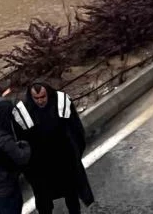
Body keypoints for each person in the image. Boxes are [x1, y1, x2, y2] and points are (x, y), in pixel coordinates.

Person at [12, 82, 94, 213]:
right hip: (41, 166)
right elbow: (21, 142)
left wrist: (76, 153)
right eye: (36, 98)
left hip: (64, 160)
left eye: (43, 97)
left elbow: (76, 129)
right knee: (44, 200)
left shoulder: (62, 102)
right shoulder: (23, 112)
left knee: (71, 194)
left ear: (48, 93)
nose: (40, 101)